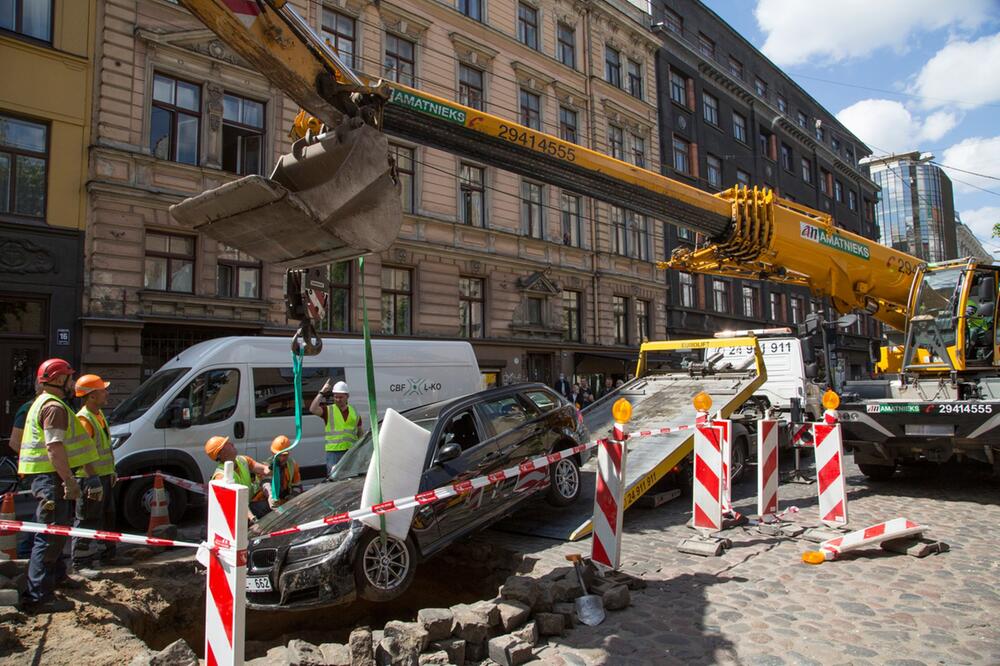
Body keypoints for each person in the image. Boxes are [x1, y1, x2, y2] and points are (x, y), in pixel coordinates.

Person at [18, 359, 101, 612]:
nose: (71, 382)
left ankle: (57, 577)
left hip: (47, 476)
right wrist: (69, 481)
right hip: (51, 478)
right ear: (58, 379)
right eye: (68, 377)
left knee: (58, 533)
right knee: (50, 536)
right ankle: (37, 597)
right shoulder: (54, 407)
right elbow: (54, 448)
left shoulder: (42, 402)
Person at [72, 374, 126, 578]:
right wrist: (92, 478)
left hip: (103, 476)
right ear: (92, 396)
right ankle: (80, 562)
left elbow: (103, 450)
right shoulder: (84, 419)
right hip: (90, 479)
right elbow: (83, 453)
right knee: (87, 519)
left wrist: (111, 471)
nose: (107, 393)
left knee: (107, 517)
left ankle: (107, 554)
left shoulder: (98, 415)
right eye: (103, 390)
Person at [204, 435, 270, 518]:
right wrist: (250, 517)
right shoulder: (220, 477)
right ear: (221, 453)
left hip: (249, 504)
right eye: (227, 444)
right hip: (237, 513)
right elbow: (232, 504)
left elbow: (264, 469)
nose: (231, 444)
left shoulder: (242, 460)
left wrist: (269, 468)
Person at [310, 380, 362, 475]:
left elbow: (360, 432)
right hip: (334, 452)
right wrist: (321, 392)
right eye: (335, 397)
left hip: (350, 452)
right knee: (334, 478)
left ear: (347, 396)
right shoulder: (328, 410)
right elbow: (312, 409)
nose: (338, 399)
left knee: (350, 477)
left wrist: (360, 449)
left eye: (341, 397)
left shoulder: (354, 412)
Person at [266, 435, 303, 509]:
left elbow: (297, 485)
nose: (282, 458)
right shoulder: (267, 466)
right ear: (273, 453)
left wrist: (293, 495)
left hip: (285, 499)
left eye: (284, 455)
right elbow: (266, 483)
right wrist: (271, 496)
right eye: (279, 455)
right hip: (267, 500)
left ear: (289, 453)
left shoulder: (292, 465)